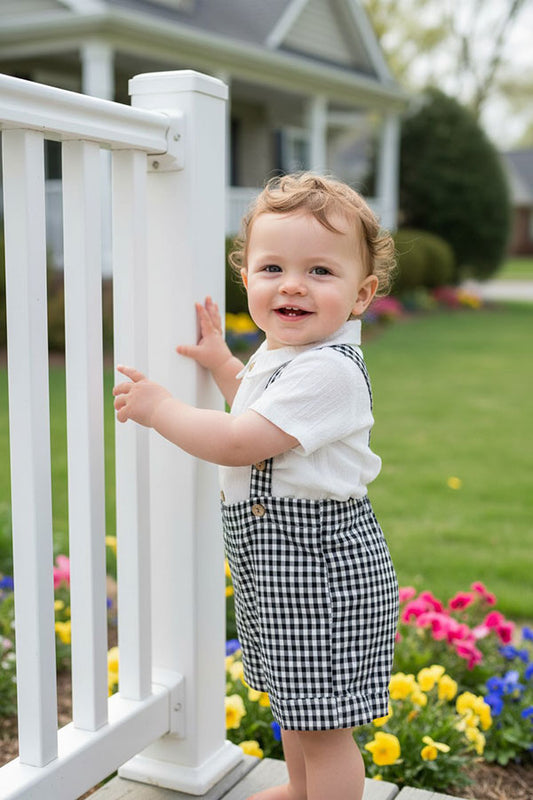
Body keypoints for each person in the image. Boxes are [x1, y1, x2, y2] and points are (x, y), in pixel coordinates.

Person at [113, 172, 399, 800]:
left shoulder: (330, 373)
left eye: (321, 271)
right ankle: (300, 791)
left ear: (361, 294)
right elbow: (254, 405)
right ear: (247, 279)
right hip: (278, 569)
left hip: (319, 573)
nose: (293, 284)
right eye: (273, 267)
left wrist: (161, 409)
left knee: (323, 727)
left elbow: (240, 441)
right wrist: (221, 361)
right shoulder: (286, 358)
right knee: (298, 711)